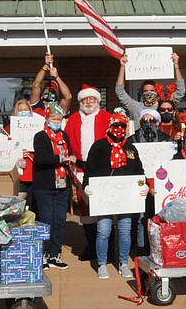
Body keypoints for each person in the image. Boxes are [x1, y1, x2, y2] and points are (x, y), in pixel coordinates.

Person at [83, 110, 147, 280]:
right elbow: (89, 168)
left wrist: (143, 186)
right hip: (104, 197)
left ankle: (123, 263)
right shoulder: (99, 146)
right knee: (103, 230)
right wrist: (87, 185)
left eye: (122, 126)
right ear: (110, 126)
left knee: (125, 231)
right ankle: (102, 264)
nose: (119, 129)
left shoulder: (130, 147)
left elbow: (138, 170)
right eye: (116, 125)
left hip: (125, 198)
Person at [64, 84, 111, 261]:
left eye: (91, 98)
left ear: (97, 100)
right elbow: (66, 141)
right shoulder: (74, 119)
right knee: (86, 209)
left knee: (106, 207)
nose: (88, 102)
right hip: (81, 169)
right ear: (80, 101)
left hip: (103, 169)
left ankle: (107, 250)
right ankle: (92, 247)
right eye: (85, 99)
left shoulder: (107, 117)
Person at [33, 103, 76, 270]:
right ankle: (42, 254)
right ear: (47, 119)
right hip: (44, 185)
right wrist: (62, 158)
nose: (57, 121)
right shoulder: (40, 136)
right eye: (53, 118)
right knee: (45, 219)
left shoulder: (64, 135)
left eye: (59, 119)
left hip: (62, 184)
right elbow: (41, 158)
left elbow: (70, 151)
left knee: (59, 220)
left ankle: (55, 254)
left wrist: (70, 158)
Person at [127, 108, 171, 256]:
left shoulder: (166, 139)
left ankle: (159, 248)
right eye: (144, 120)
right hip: (140, 182)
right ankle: (141, 249)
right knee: (141, 218)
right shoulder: (131, 140)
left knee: (159, 216)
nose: (148, 123)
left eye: (151, 120)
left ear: (157, 122)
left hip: (160, 183)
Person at [115, 52, 185, 128]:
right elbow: (120, 91)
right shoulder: (136, 107)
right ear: (142, 93)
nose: (149, 93)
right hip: (140, 139)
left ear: (157, 91)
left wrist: (176, 66)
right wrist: (122, 67)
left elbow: (181, 91)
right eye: (145, 91)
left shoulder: (163, 106)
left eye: (152, 90)